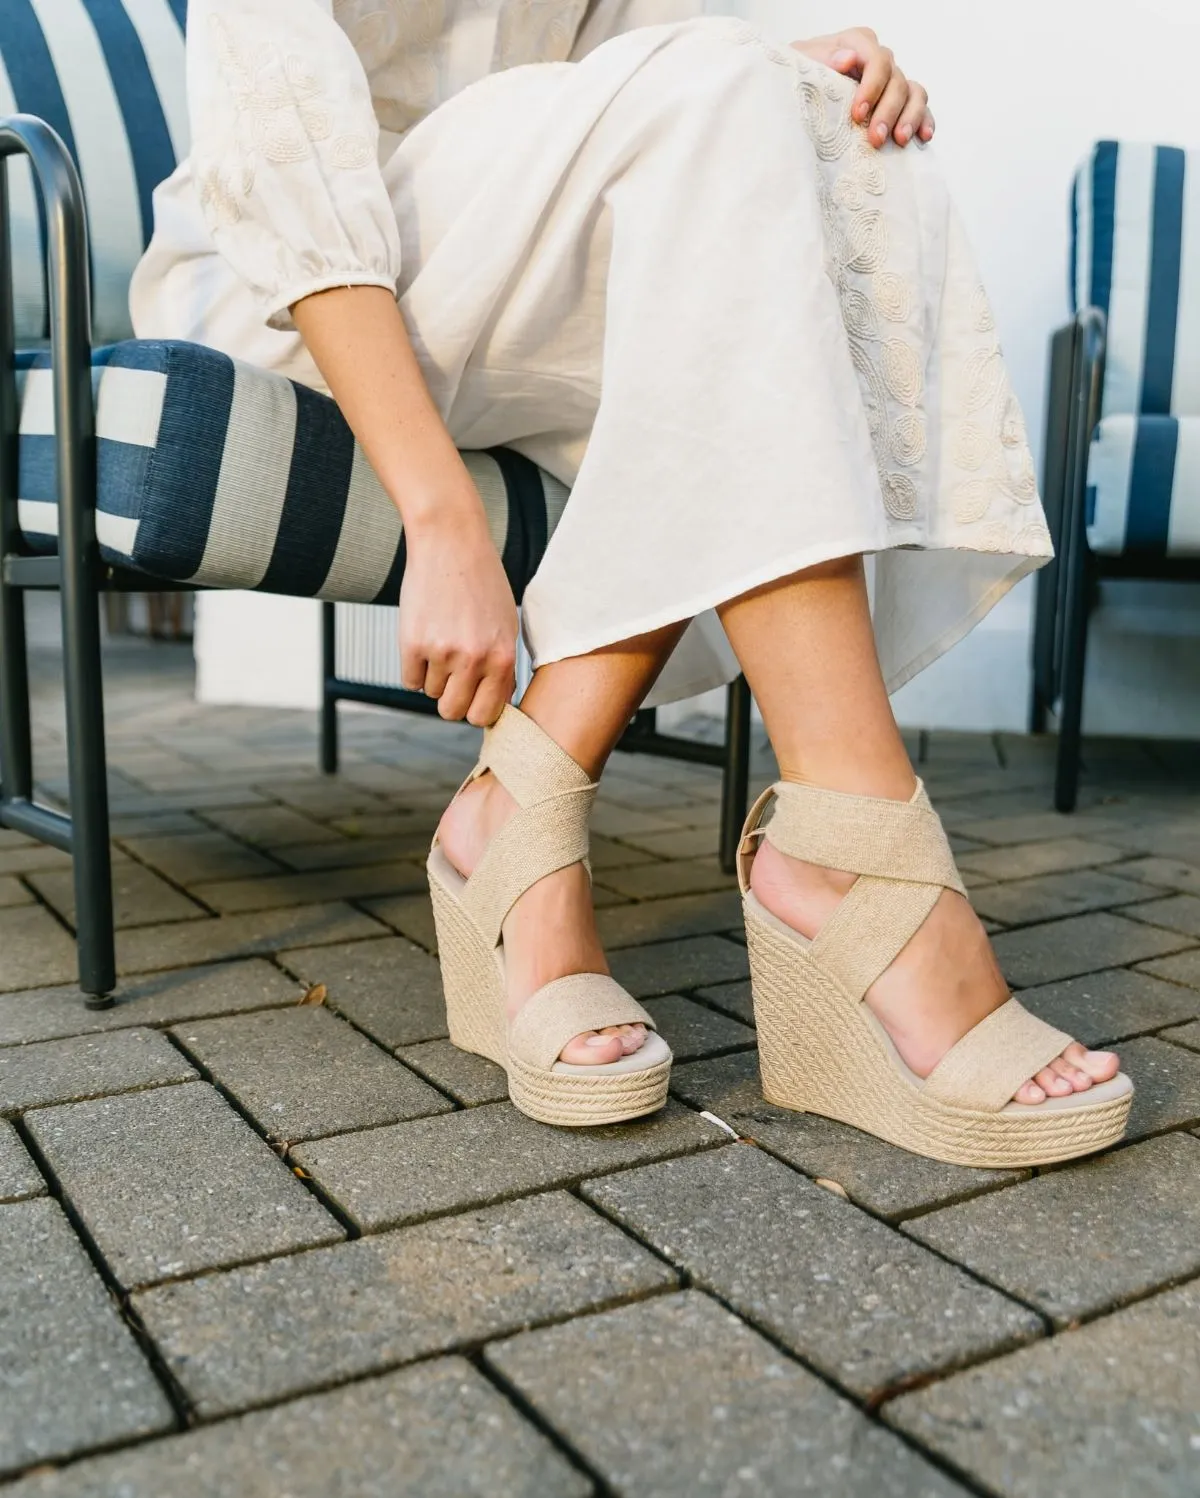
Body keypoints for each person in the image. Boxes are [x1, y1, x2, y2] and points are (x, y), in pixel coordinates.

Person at [131, 0, 1131, 1165]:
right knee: (735, 119)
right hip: (293, 289)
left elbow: (651, 62)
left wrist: (771, 77)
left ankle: (532, 809)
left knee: (817, 125)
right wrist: (444, 521)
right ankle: (838, 848)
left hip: (507, 263)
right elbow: (288, 159)